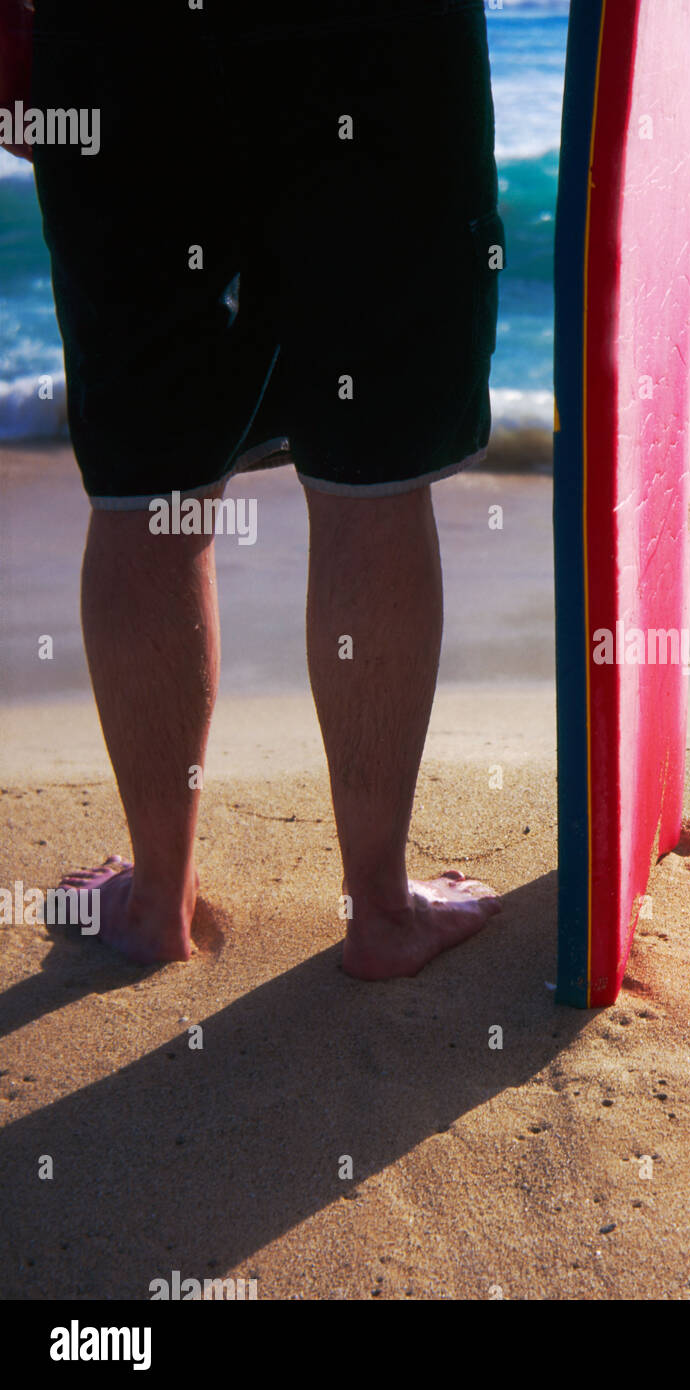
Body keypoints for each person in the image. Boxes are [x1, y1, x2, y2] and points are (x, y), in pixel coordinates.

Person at [6, 0, 504, 978]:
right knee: (375, 460)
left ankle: (156, 901)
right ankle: (379, 907)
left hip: (123, 39)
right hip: (371, 36)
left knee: (149, 476)